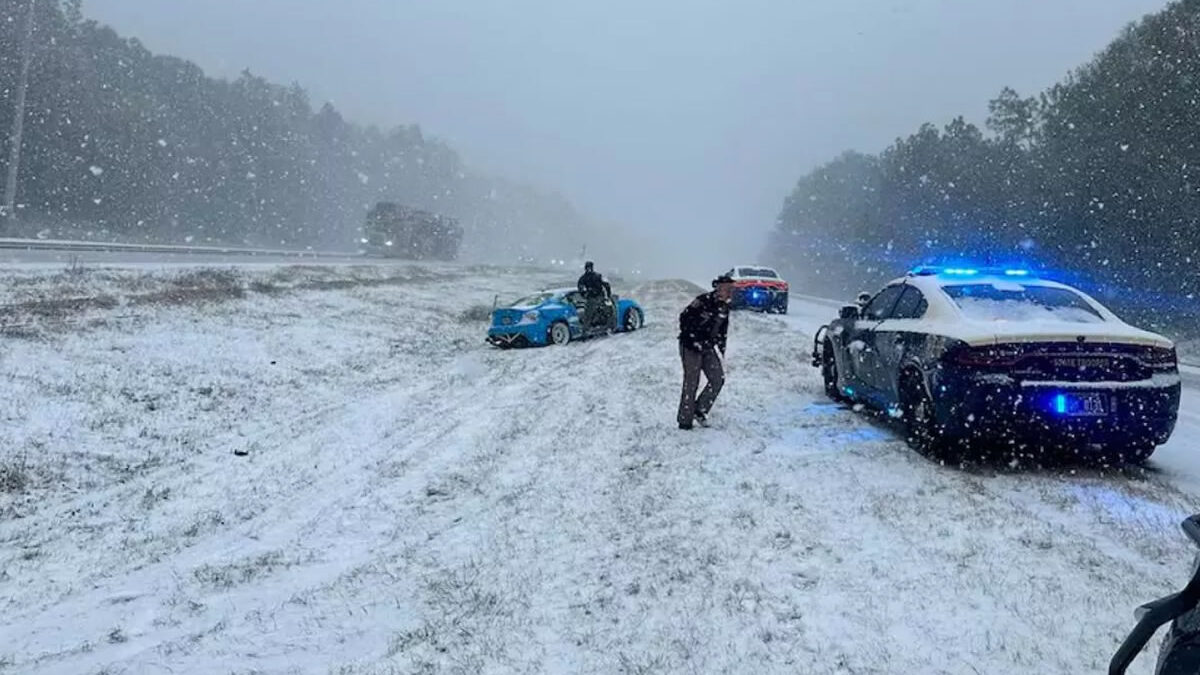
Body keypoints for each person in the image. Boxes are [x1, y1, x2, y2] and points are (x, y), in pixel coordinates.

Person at [677, 274, 733, 429]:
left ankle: (699, 410)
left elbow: (723, 330)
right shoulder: (703, 301)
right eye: (726, 288)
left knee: (717, 379)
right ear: (718, 288)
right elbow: (684, 318)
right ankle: (685, 420)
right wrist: (692, 337)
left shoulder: (725, 307)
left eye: (731, 289)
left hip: (707, 347)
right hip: (690, 345)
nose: (729, 292)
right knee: (691, 382)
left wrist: (721, 349)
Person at [577, 261, 606, 329]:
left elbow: (605, 285)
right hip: (591, 298)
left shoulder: (597, 276)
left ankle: (599, 323)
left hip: (600, 296)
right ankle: (587, 327)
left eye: (589, 267)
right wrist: (584, 293)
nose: (588, 269)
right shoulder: (583, 278)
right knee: (589, 311)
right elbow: (580, 286)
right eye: (587, 267)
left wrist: (607, 295)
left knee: (605, 309)